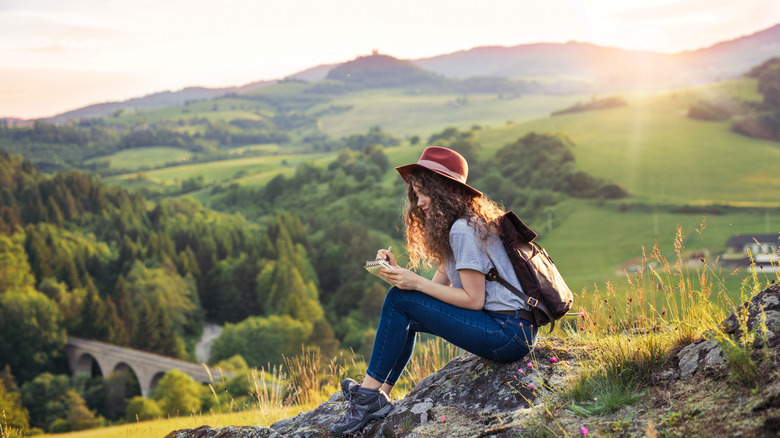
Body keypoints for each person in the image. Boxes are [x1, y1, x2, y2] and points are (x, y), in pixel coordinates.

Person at [331, 146, 537, 437]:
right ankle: (378, 394)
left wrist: (412, 284)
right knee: (403, 306)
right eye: (415, 193)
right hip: (508, 327)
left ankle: (367, 396)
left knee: (401, 302)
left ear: (445, 191)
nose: (419, 202)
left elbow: (474, 300)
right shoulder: (458, 225)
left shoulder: (463, 230)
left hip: (507, 332)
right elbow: (433, 292)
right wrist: (400, 275)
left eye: (425, 192)